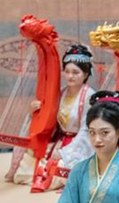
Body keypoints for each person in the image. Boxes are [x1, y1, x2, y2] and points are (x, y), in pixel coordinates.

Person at [12, 44, 96, 190]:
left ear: (86, 74)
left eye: (75, 72)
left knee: (61, 169)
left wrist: (66, 151)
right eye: (67, 71)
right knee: (26, 165)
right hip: (58, 141)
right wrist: (35, 113)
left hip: (79, 145)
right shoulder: (61, 93)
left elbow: (86, 131)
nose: (70, 76)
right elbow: (51, 122)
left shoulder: (89, 96)